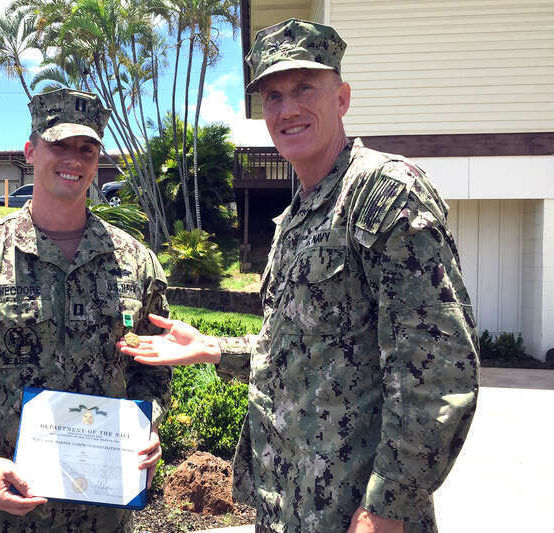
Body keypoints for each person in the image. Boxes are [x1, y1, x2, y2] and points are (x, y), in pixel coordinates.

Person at [120, 19, 479, 533]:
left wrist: (388, 506)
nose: (287, 108)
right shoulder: (297, 218)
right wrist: (214, 349)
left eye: (304, 87)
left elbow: (437, 364)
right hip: (286, 502)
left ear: (342, 98)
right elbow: (300, 349)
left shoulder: (382, 193)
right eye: (272, 96)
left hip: (354, 511)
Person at [0, 88, 171, 532]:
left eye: (86, 148)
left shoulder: (137, 262)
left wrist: (149, 424)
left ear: (97, 159)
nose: (73, 158)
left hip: (102, 514)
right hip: (2, 512)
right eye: (59, 145)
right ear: (31, 151)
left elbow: (153, 368)